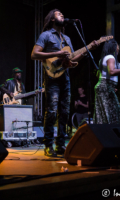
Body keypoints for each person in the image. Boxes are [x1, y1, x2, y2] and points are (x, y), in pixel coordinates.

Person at [31, 9, 98, 157]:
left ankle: (60, 145)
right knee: (52, 110)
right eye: (59, 13)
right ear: (52, 19)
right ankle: (48, 145)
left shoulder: (67, 39)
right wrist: (57, 54)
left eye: (62, 14)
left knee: (65, 112)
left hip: (65, 78)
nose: (62, 15)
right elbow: (34, 54)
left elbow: (72, 58)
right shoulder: (46, 35)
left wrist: (88, 49)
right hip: (52, 78)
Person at [94, 39, 120, 124]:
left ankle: (103, 133)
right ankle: (109, 134)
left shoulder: (104, 58)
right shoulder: (110, 57)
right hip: (105, 86)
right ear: (113, 47)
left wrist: (111, 87)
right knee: (112, 113)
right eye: (117, 46)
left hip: (105, 86)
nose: (118, 48)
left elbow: (99, 75)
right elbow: (112, 71)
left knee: (105, 113)